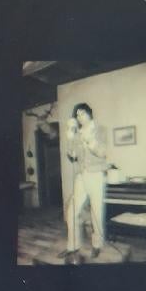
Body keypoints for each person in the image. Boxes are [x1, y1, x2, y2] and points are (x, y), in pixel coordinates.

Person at [63, 101, 110, 260]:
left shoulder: (100, 130)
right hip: (81, 176)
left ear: (89, 113)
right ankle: (72, 246)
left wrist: (89, 140)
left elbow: (102, 152)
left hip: (96, 174)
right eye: (77, 115)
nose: (79, 117)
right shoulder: (77, 133)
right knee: (72, 211)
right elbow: (72, 155)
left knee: (96, 211)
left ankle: (97, 245)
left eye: (82, 113)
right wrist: (70, 136)